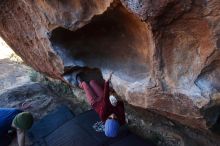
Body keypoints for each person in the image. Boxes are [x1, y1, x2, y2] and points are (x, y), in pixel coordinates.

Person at [77, 72, 126, 138]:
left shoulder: (103, 115)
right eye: (115, 119)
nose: (113, 115)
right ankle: (89, 84)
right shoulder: (122, 119)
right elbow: (122, 105)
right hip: (102, 98)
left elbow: (106, 99)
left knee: (85, 84)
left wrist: (107, 81)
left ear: (106, 121)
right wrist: (116, 103)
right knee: (92, 82)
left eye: (110, 118)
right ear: (118, 124)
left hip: (95, 102)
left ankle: (80, 84)